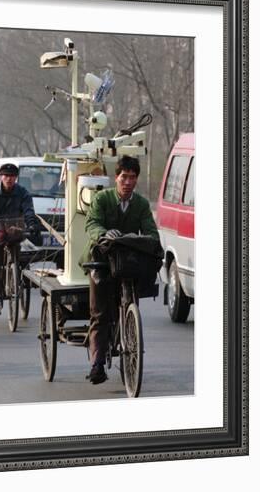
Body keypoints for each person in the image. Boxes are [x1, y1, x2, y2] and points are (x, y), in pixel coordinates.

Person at [81, 155, 161, 384]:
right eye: (123, 177)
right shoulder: (102, 198)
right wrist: (104, 234)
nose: (127, 182)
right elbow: (92, 224)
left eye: (132, 178)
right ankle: (96, 364)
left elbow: (152, 232)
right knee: (100, 313)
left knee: (136, 290)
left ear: (136, 180)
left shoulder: (142, 204)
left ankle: (129, 326)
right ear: (116, 178)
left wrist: (142, 238)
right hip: (102, 261)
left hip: (127, 262)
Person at [0, 163, 39, 318]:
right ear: (0, 176)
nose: (9, 179)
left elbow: (29, 211)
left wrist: (32, 224)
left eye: (12, 176)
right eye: (5, 176)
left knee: (20, 260)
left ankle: (17, 279)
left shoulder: (22, 193)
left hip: (14, 230)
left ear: (16, 178)